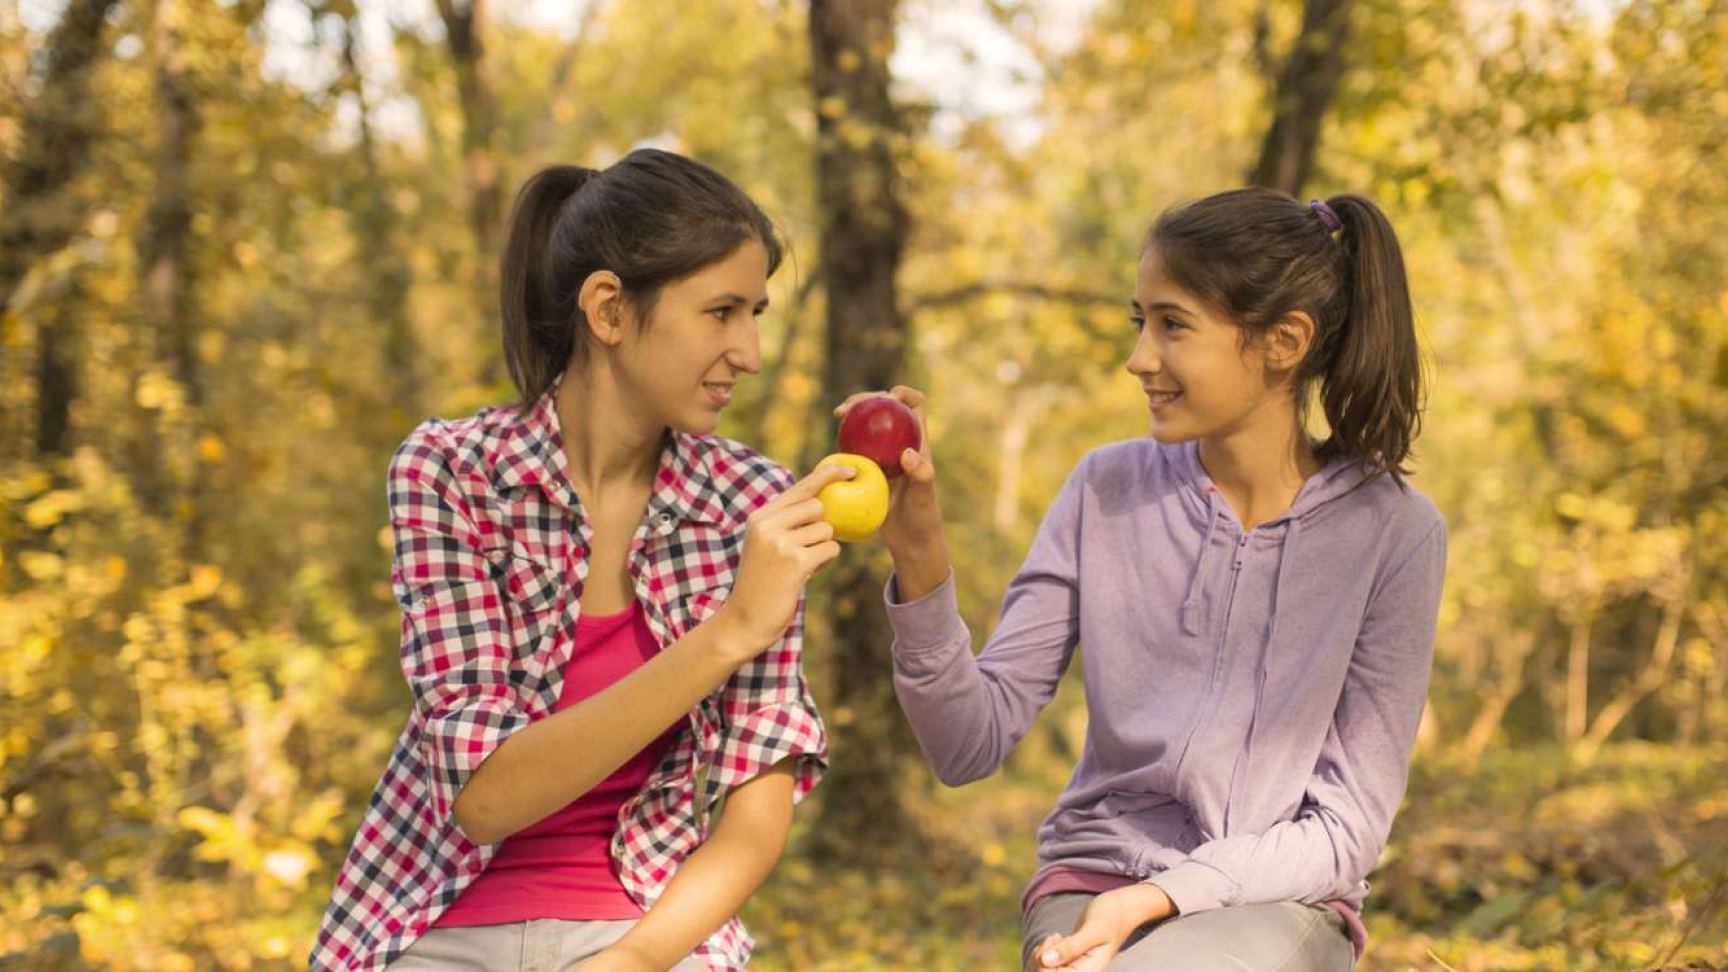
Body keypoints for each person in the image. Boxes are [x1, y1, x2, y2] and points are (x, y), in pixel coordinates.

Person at [845, 188, 1447, 971]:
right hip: (1090, 881)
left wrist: (1163, 896)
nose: (1139, 358)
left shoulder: (1394, 532)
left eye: (1173, 325)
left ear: (1283, 341)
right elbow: (969, 743)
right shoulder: (1105, 489)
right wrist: (918, 549)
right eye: (1142, 322)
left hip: (1276, 902)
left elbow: (1347, 830)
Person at [311, 149, 848, 972]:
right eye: (722, 312)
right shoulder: (453, 473)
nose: (750, 351)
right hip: (437, 926)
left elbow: (754, 821)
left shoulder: (754, 503)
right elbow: (486, 798)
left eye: (757, 314)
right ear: (608, 309)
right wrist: (732, 628)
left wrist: (632, 962)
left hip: (649, 931)